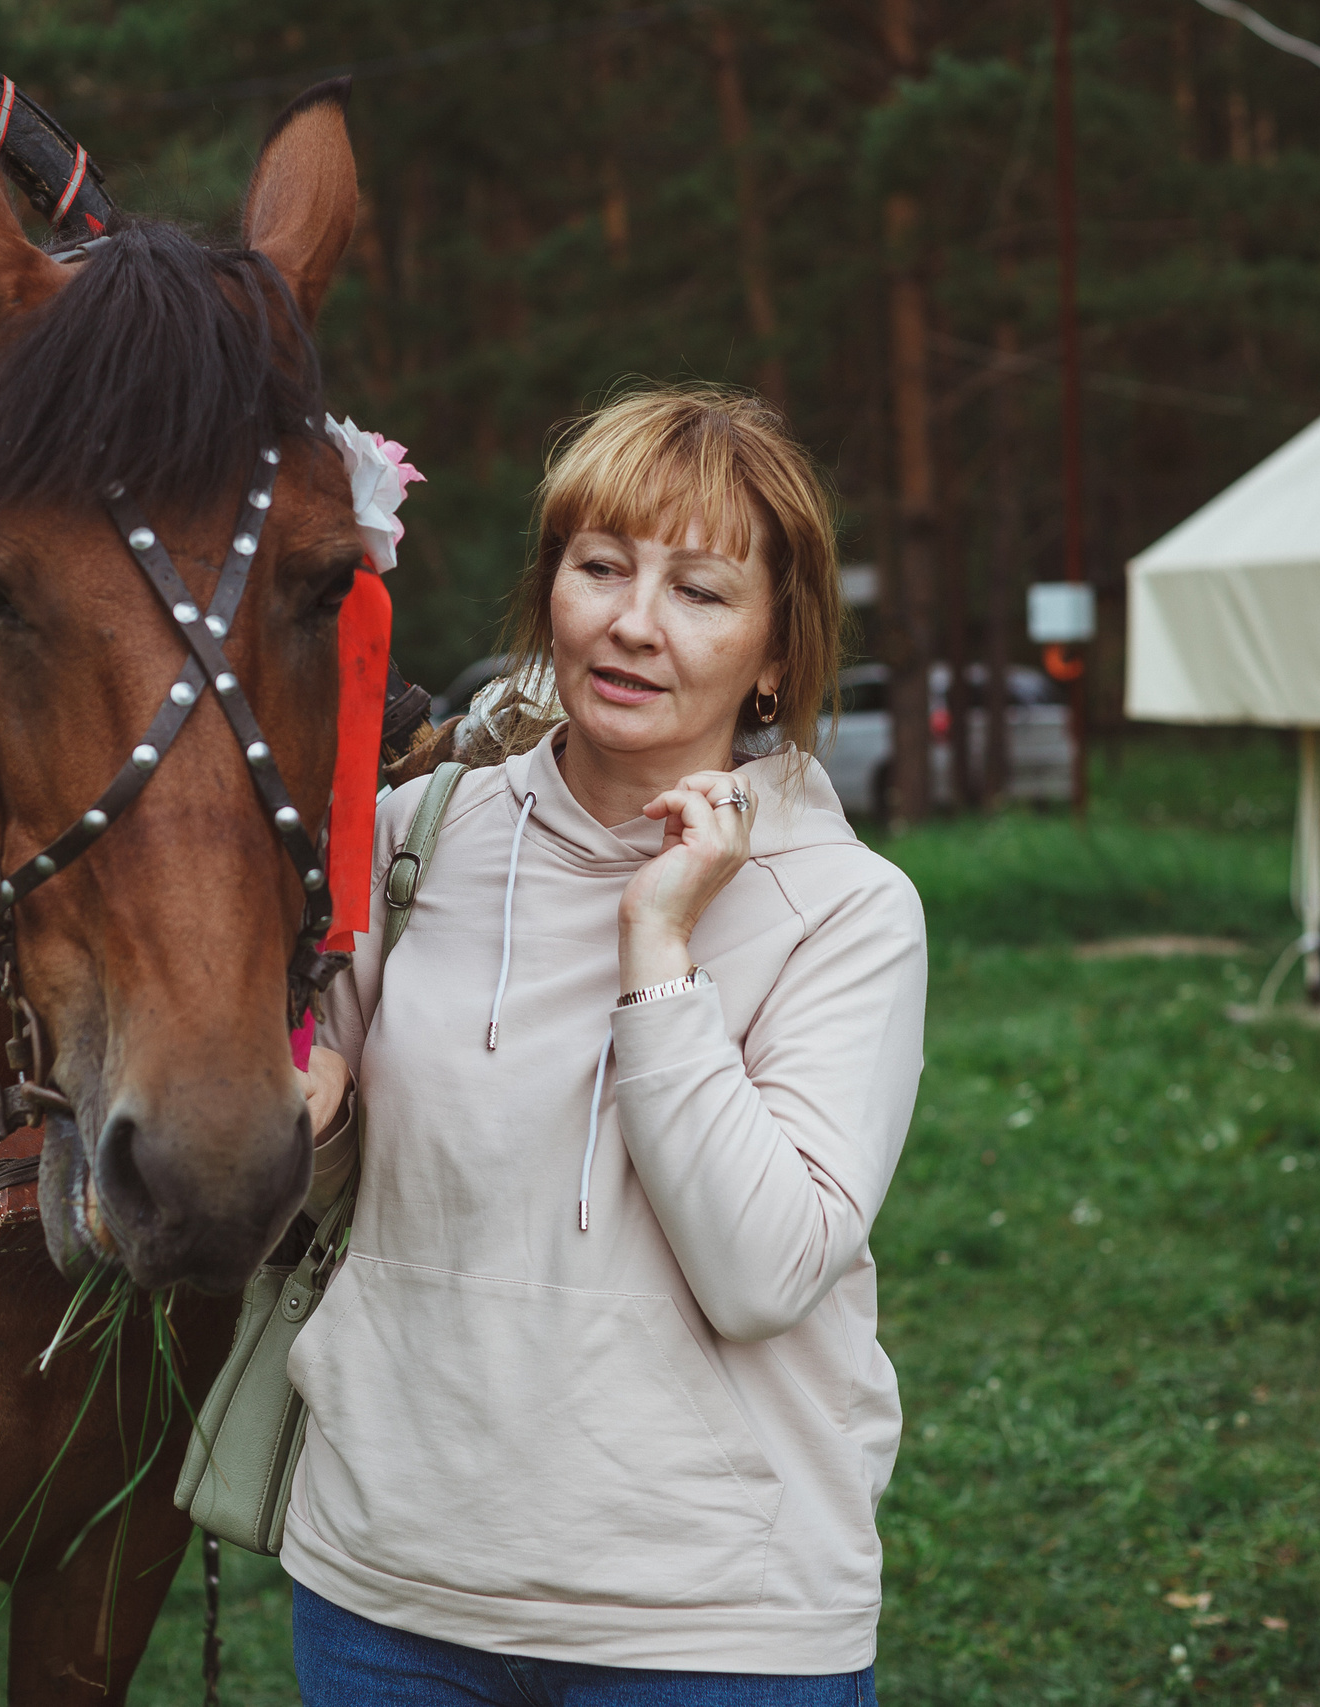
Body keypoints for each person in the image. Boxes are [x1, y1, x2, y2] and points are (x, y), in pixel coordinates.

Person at [283, 384, 928, 1705]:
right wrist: (310, 1113)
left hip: (711, 1623)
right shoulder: (415, 834)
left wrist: (661, 952)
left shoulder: (847, 908)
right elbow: (318, 1176)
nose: (635, 623)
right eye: (601, 569)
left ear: (775, 653)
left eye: (700, 590)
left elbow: (761, 1273)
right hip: (387, 1592)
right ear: (550, 592)